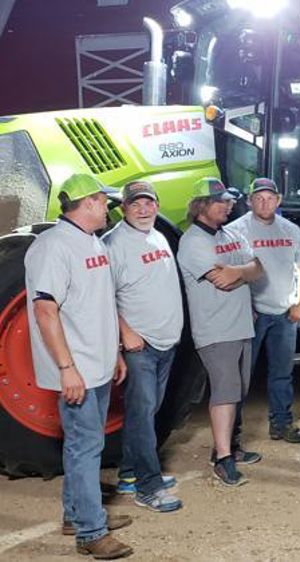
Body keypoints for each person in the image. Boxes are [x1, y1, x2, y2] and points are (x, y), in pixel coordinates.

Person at [25, 173, 133, 559]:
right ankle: (90, 531)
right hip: (79, 371)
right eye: (105, 202)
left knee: (87, 444)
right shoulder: (53, 246)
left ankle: (77, 514)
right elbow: (44, 310)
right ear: (87, 202)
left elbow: (98, 304)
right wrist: (67, 368)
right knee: (85, 447)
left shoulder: (92, 243)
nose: (108, 208)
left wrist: (115, 352)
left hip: (99, 363)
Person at [103, 181, 184, 512]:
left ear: (157, 204)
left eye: (148, 202)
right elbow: (103, 297)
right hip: (142, 345)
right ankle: (148, 488)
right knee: (140, 415)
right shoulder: (112, 244)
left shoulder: (158, 236)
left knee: (145, 413)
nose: (143, 209)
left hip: (167, 342)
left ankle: (129, 473)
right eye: (136, 204)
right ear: (124, 207)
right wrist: (126, 334)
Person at [177, 177, 263, 487]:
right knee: (226, 392)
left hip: (240, 324)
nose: (227, 205)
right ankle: (223, 459)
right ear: (201, 205)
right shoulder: (193, 242)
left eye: (227, 201)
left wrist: (239, 272)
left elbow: (258, 269)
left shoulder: (231, 234)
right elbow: (221, 280)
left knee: (238, 390)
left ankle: (229, 447)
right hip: (216, 329)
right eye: (219, 201)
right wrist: (243, 272)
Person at [230, 178, 300, 444]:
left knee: (282, 373)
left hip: (284, 315)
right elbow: (227, 273)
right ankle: (232, 433)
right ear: (249, 201)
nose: (264, 202)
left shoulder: (290, 230)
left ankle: (281, 424)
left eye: (270, 198)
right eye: (259, 198)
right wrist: (244, 307)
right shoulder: (236, 231)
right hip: (250, 316)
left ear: (278, 201)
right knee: (241, 377)